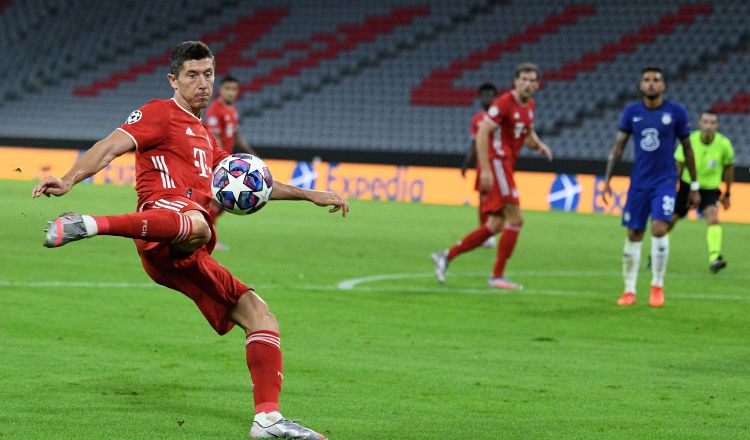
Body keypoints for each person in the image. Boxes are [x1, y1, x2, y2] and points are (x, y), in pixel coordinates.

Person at [32, 41, 347, 440]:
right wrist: (69, 179)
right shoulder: (158, 113)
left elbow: (254, 183)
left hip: (185, 247)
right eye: (193, 75)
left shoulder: (204, 135)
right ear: (174, 80)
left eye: (208, 74)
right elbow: (109, 147)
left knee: (259, 313)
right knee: (198, 222)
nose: (203, 83)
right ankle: (91, 224)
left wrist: (310, 194)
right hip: (159, 221)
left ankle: (267, 419)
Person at [432, 63, 553, 289]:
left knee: (496, 225)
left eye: (531, 80)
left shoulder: (530, 106)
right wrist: (485, 169)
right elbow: (482, 133)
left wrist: (540, 146)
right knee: (516, 219)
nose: (527, 84)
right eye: (523, 79)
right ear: (515, 82)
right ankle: (497, 276)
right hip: (498, 163)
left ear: (537, 85)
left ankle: (446, 256)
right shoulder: (504, 103)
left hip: (507, 165)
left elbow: (527, 134)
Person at [602, 66, 699, 308]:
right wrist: (607, 180)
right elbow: (618, 147)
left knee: (658, 228)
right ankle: (629, 290)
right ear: (641, 85)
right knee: (634, 233)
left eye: (656, 80)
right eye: (646, 80)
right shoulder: (631, 112)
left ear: (664, 86)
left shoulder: (676, 112)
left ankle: (657, 285)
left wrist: (694, 185)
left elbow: (688, 149)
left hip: (665, 181)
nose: (651, 84)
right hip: (639, 182)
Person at [669, 110, 735, 273]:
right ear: (699, 123)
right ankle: (656, 253)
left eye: (712, 123)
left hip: (709, 189)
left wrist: (727, 193)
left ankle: (714, 258)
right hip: (687, 185)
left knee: (713, 219)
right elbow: (678, 164)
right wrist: (671, 187)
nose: (708, 126)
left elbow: (728, 169)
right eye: (705, 122)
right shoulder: (689, 140)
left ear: (717, 125)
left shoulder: (724, 144)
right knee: (669, 222)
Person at [460, 83, 499, 249]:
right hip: (483, 165)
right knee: (483, 199)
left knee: (498, 201)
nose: (487, 98)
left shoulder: (502, 116)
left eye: (490, 95)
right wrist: (466, 163)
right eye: (484, 95)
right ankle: (484, 233)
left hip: (499, 164)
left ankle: (491, 231)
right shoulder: (477, 119)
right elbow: (474, 143)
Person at [205, 74, 254, 155]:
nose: (230, 93)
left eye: (234, 89)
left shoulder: (233, 109)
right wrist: (224, 159)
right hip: (216, 159)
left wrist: (252, 154)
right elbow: (215, 138)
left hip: (226, 156)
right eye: (227, 89)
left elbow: (236, 134)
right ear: (221, 90)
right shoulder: (214, 109)